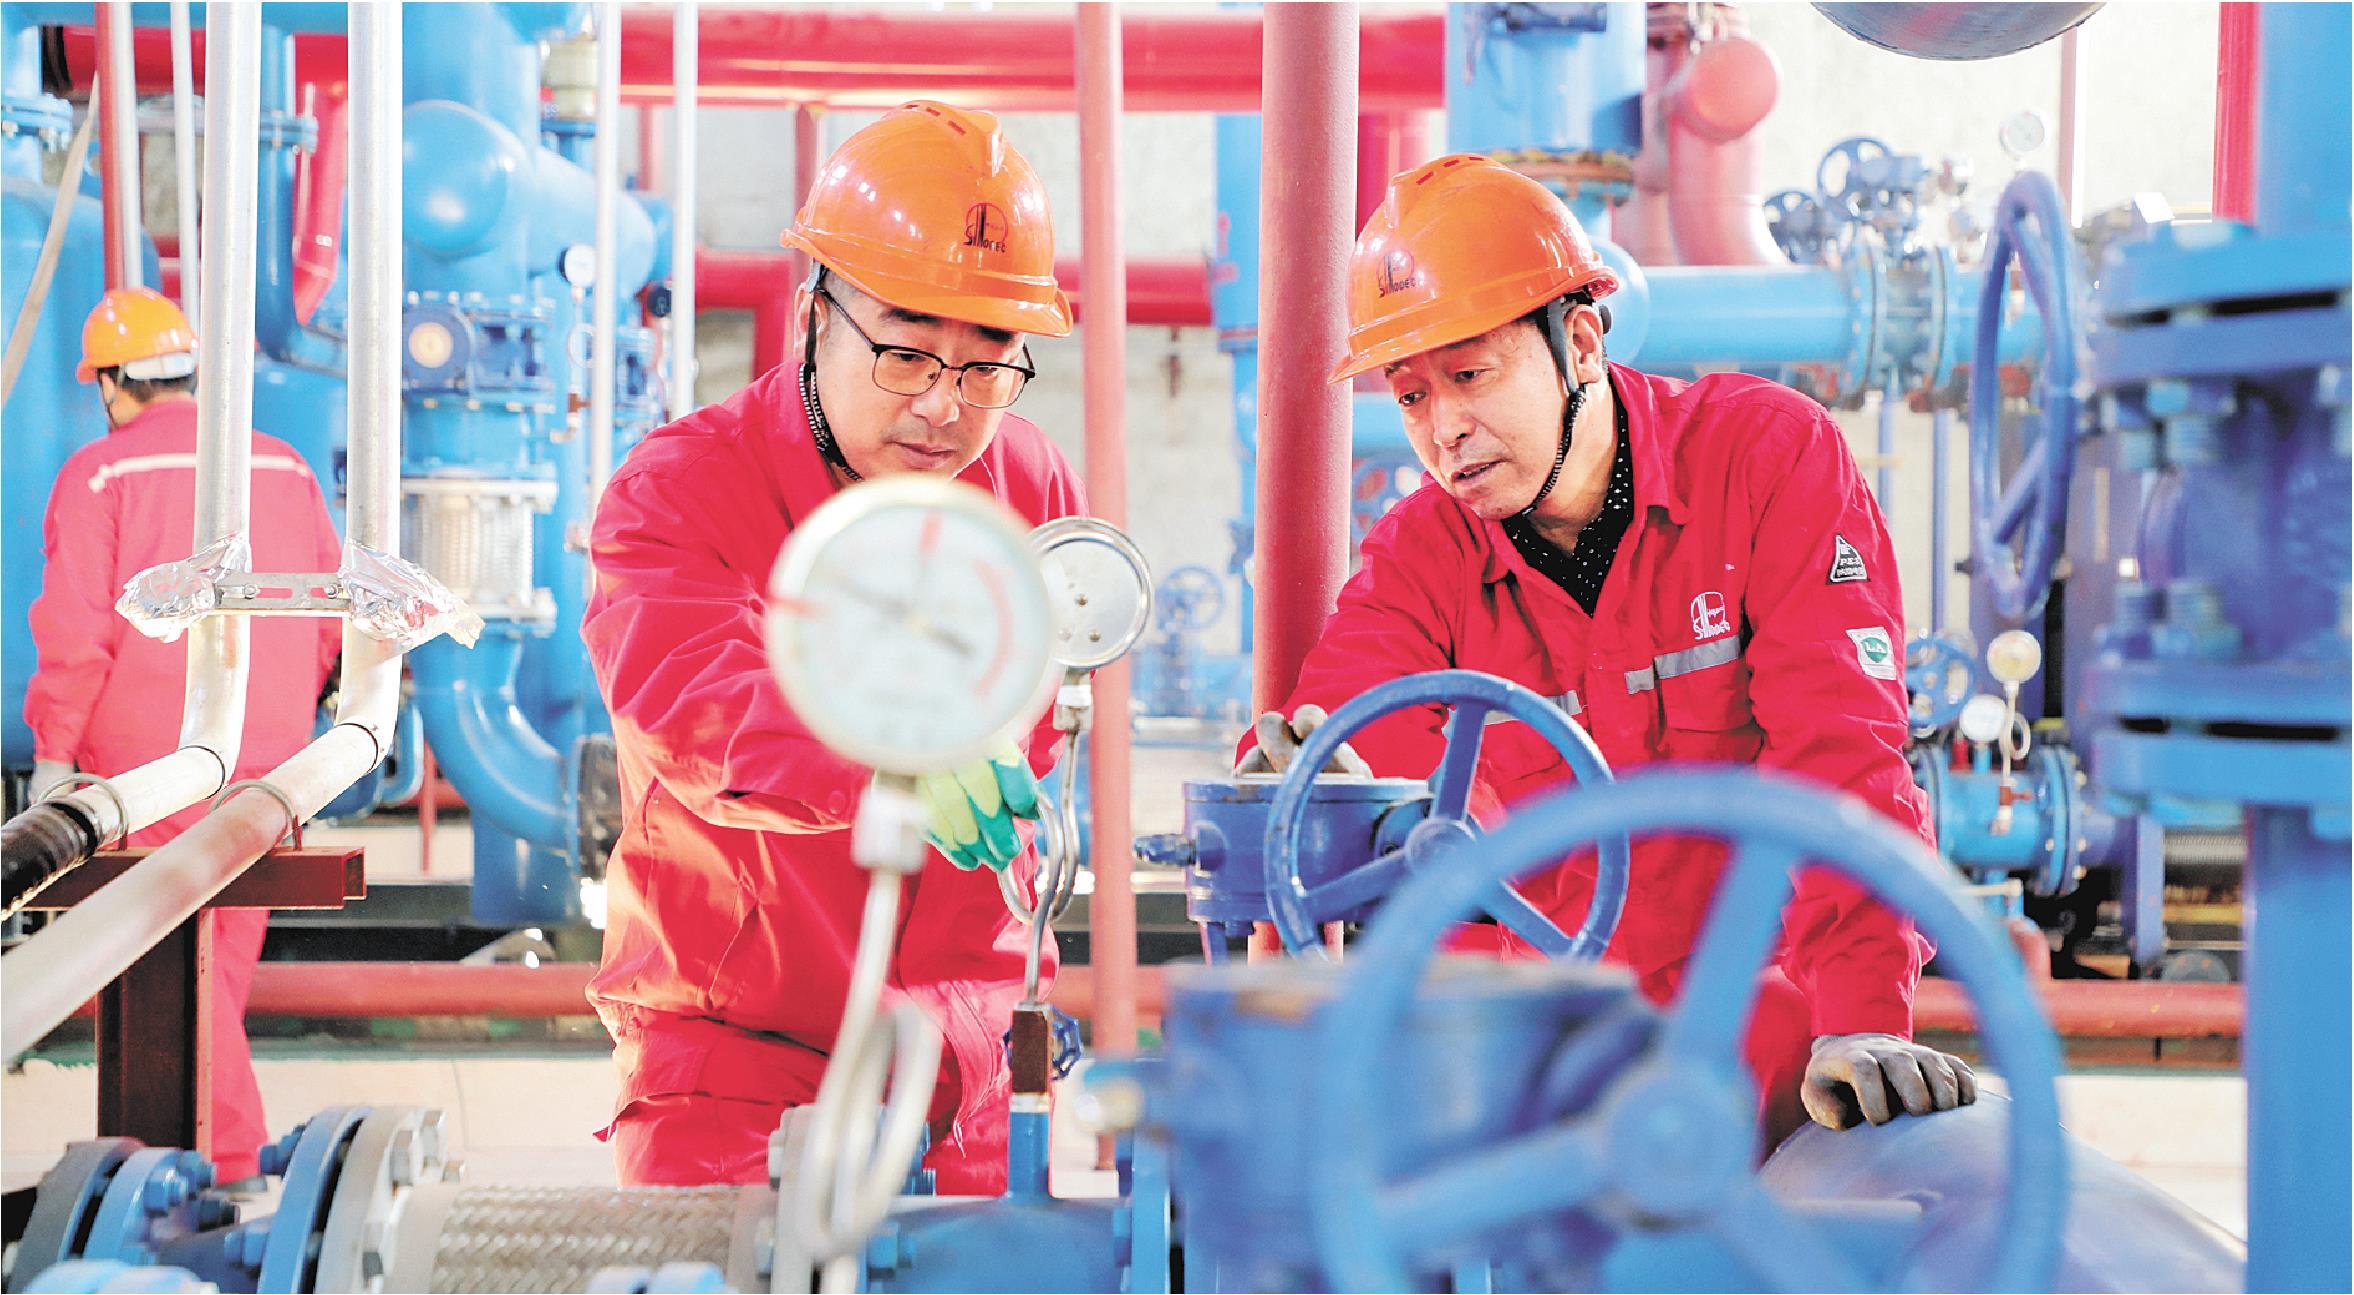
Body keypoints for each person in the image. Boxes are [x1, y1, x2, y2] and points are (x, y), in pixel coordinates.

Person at [1241, 155, 1975, 1143]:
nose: (1444, 429)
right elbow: (1341, 734)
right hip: (1542, 1055)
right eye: (1409, 396)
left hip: (1762, 1044)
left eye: (1469, 375)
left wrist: (1861, 1019)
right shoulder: (1425, 553)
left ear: (1579, 342)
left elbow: (1840, 757)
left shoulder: (1761, 462)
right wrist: (1305, 784)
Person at [581, 102, 1086, 1194]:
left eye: (986, 367)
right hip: (740, 1068)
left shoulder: (1032, 483)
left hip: (970, 1066)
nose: (944, 406)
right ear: (815, 315)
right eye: (906, 354)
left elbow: (1038, 726)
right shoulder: (680, 490)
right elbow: (695, 709)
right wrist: (890, 758)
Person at [25, 286, 343, 1183]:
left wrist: (53, 757)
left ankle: (221, 1167)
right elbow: (332, 613)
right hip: (272, 757)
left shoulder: (100, 475)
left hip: (150, 767)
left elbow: (77, 632)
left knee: (150, 970)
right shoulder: (282, 465)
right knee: (220, 967)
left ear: (111, 383)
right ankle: (192, 1167)